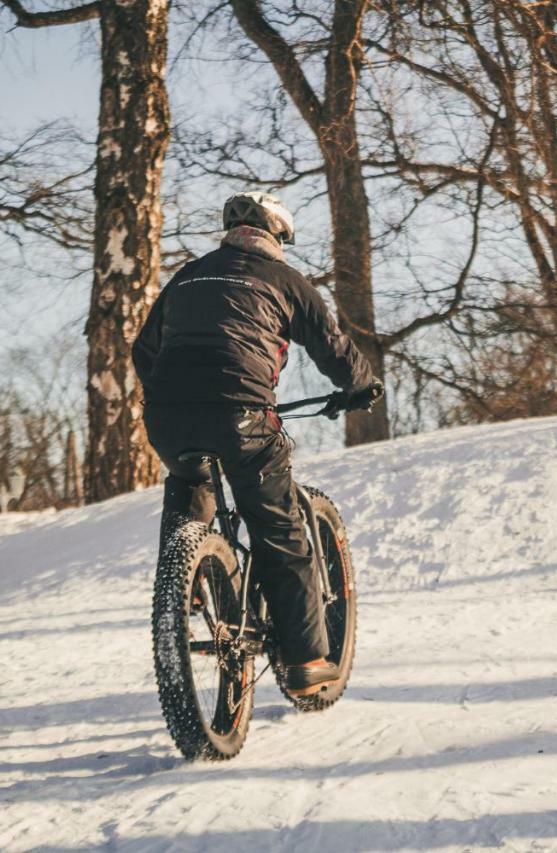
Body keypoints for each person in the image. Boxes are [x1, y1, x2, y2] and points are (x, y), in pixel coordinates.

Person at [133, 191, 383, 698]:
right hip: (243, 415)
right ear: (277, 237)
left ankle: (185, 588)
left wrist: (173, 398)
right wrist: (361, 387)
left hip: (167, 417)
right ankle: (307, 662)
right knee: (279, 529)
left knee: (189, 482)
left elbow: (145, 349)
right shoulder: (286, 280)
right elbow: (332, 346)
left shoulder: (188, 274)